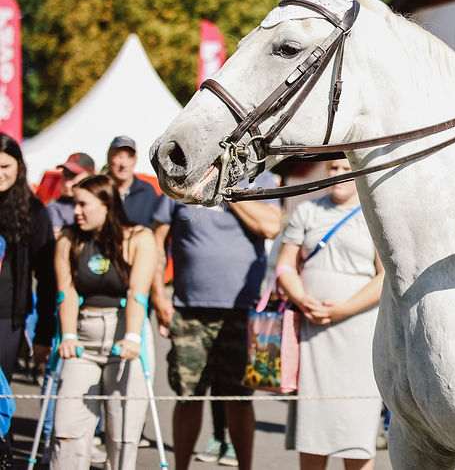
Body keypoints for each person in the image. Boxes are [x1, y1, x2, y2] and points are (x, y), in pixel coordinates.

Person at [152, 170, 280, 470]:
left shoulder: (260, 180)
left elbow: (271, 226)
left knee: (240, 399)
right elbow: (156, 243)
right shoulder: (183, 175)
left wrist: (227, 188)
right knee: (188, 396)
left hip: (243, 311)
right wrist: (158, 296)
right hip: (189, 310)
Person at [274, 158, 384, 470]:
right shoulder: (307, 211)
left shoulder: (373, 213)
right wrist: (301, 298)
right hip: (313, 332)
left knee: (357, 429)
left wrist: (344, 309)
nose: (338, 175)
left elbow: (384, 276)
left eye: (346, 169)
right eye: (333, 168)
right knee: (312, 428)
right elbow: (284, 265)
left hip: (359, 333)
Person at [50, 174, 156, 470]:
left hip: (125, 334)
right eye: (75, 204)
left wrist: (132, 338)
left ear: (106, 205)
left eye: (83, 204)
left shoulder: (138, 237)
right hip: (83, 337)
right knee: (68, 429)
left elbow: (138, 293)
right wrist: (67, 335)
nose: (76, 211)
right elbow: (66, 293)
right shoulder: (69, 239)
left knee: (123, 434)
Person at [0, 133, 57, 379]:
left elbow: (46, 277)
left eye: (5, 166)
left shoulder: (33, 212)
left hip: (7, 318)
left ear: (18, 166)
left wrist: (43, 334)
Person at [46, 153, 96, 237]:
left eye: (73, 175)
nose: (67, 182)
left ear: (90, 176)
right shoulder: (54, 209)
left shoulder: (101, 202)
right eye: (65, 174)